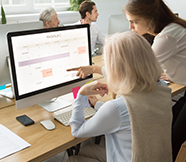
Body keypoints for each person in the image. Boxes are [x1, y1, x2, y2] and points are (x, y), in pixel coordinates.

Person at [67, 31, 172, 162]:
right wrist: (98, 104)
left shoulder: (116, 108)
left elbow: (77, 131)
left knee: (73, 159)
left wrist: (81, 93)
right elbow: (129, 112)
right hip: (155, 156)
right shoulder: (162, 87)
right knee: (86, 149)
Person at [123, 0, 186, 161]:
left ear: (151, 18)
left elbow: (138, 72)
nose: (130, 27)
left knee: (173, 141)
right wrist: (174, 74)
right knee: (171, 122)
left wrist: (98, 70)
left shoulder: (167, 37)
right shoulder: (173, 28)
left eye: (134, 21)